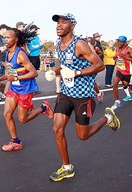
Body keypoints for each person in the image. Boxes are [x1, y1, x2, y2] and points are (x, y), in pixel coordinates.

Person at [47, 13, 120, 182]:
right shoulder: (58, 44)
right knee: (57, 130)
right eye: (57, 22)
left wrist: (76, 73)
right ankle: (67, 168)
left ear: (72, 26)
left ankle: (108, 117)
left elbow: (99, 65)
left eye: (63, 22)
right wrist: (55, 72)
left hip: (82, 96)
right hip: (65, 93)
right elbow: (65, 65)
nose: (59, 25)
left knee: (83, 135)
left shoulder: (80, 44)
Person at [0, 27, 54, 152]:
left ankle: (44, 108)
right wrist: (2, 80)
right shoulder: (7, 53)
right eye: (4, 37)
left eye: (8, 37)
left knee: (23, 119)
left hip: (25, 89)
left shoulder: (21, 55)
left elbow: (33, 73)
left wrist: (14, 77)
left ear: (15, 40)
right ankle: (16, 142)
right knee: (7, 114)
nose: (5, 39)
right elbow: (12, 71)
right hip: (14, 88)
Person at [111, 36, 132, 110]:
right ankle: (117, 101)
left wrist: (125, 57)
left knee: (126, 84)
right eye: (118, 41)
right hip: (120, 70)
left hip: (128, 71)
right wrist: (115, 57)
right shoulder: (117, 49)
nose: (119, 43)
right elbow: (117, 56)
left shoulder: (129, 49)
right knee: (115, 82)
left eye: (121, 41)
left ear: (125, 42)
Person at [86, 37, 104, 103]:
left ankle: (98, 93)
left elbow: (101, 54)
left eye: (90, 42)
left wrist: (96, 56)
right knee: (88, 81)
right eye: (87, 41)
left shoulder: (95, 47)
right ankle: (95, 92)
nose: (89, 43)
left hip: (93, 66)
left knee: (91, 81)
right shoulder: (83, 48)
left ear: (92, 42)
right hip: (86, 66)